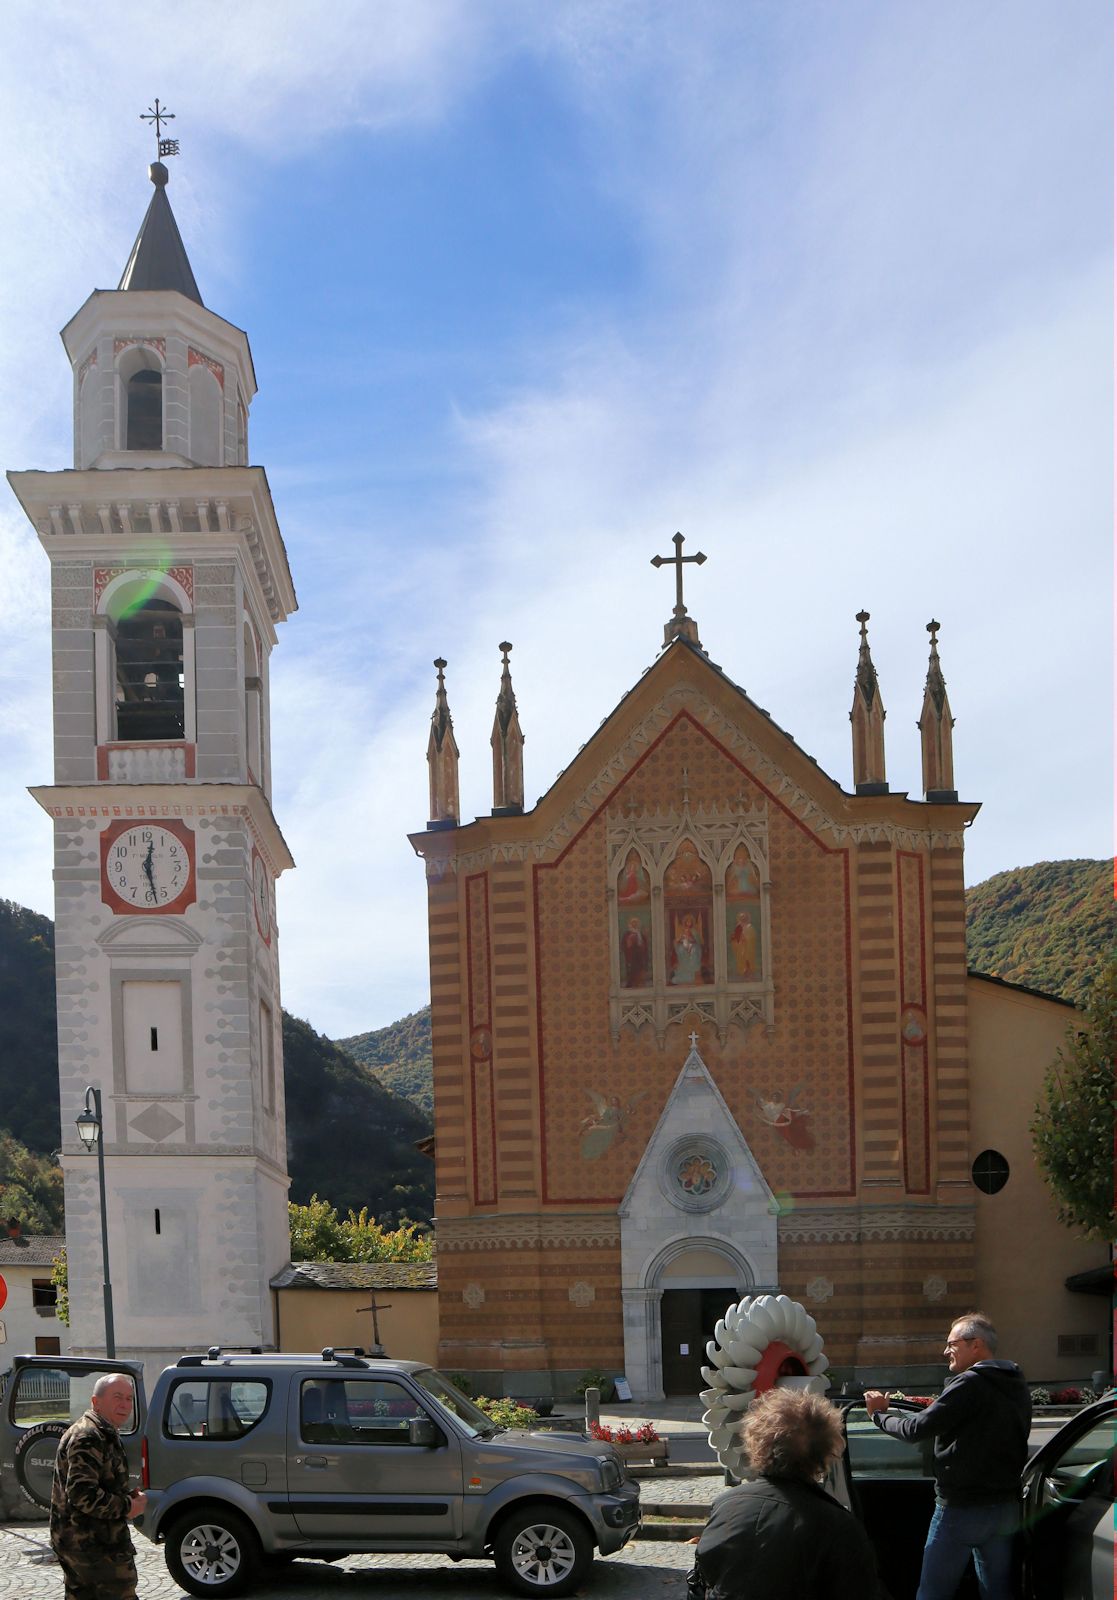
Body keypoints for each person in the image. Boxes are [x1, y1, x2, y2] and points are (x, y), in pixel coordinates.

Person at [864, 1311, 1031, 1600]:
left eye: (952, 1344)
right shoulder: (1015, 1382)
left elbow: (915, 1430)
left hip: (960, 1509)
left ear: (975, 1344)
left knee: (933, 1592)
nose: (945, 1351)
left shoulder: (969, 1383)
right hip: (1004, 1508)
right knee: (998, 1592)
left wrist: (879, 1414)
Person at [694, 1387, 878, 1598]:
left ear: (757, 1443)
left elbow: (707, 1574)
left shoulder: (726, 1505)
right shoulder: (838, 1526)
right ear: (828, 1451)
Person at [50, 1372, 146, 1600]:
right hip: (92, 1547)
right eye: (117, 1397)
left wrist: (126, 1495)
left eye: (129, 1399)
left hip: (90, 1543)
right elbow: (82, 1494)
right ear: (96, 1402)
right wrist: (127, 1506)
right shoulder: (89, 1435)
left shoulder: (103, 1431)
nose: (125, 1404)